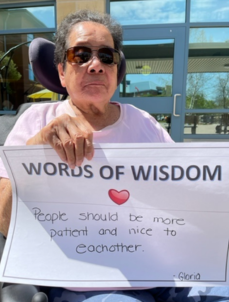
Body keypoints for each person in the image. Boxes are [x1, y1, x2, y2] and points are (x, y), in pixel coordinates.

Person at [0, 9, 228, 302]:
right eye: (80, 55)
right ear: (61, 71)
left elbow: (186, 194)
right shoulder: (36, 120)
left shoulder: (144, 122)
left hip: (167, 273)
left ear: (116, 71)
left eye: (107, 56)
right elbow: (5, 221)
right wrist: (39, 150)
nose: (95, 65)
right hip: (90, 282)